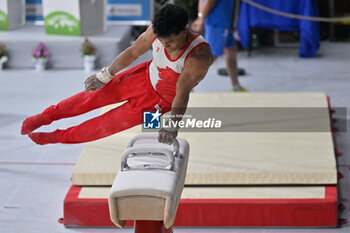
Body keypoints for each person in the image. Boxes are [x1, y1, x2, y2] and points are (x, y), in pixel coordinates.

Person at [21, 4, 213, 145]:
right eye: (161, 41)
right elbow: (132, 52)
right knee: (87, 98)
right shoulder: (157, 29)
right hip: (140, 76)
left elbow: (182, 95)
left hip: (159, 106)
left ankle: (56, 137)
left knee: (103, 126)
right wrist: (104, 76)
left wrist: (171, 125)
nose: (165, 45)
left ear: (184, 31)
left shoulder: (198, 57)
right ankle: (44, 117)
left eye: (170, 42)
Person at [191, 0, 246, 92]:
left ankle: (236, 87)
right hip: (218, 23)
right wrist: (201, 18)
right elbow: (209, 1)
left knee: (231, 50)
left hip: (222, 22)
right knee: (211, 56)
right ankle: (187, 85)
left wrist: (201, 16)